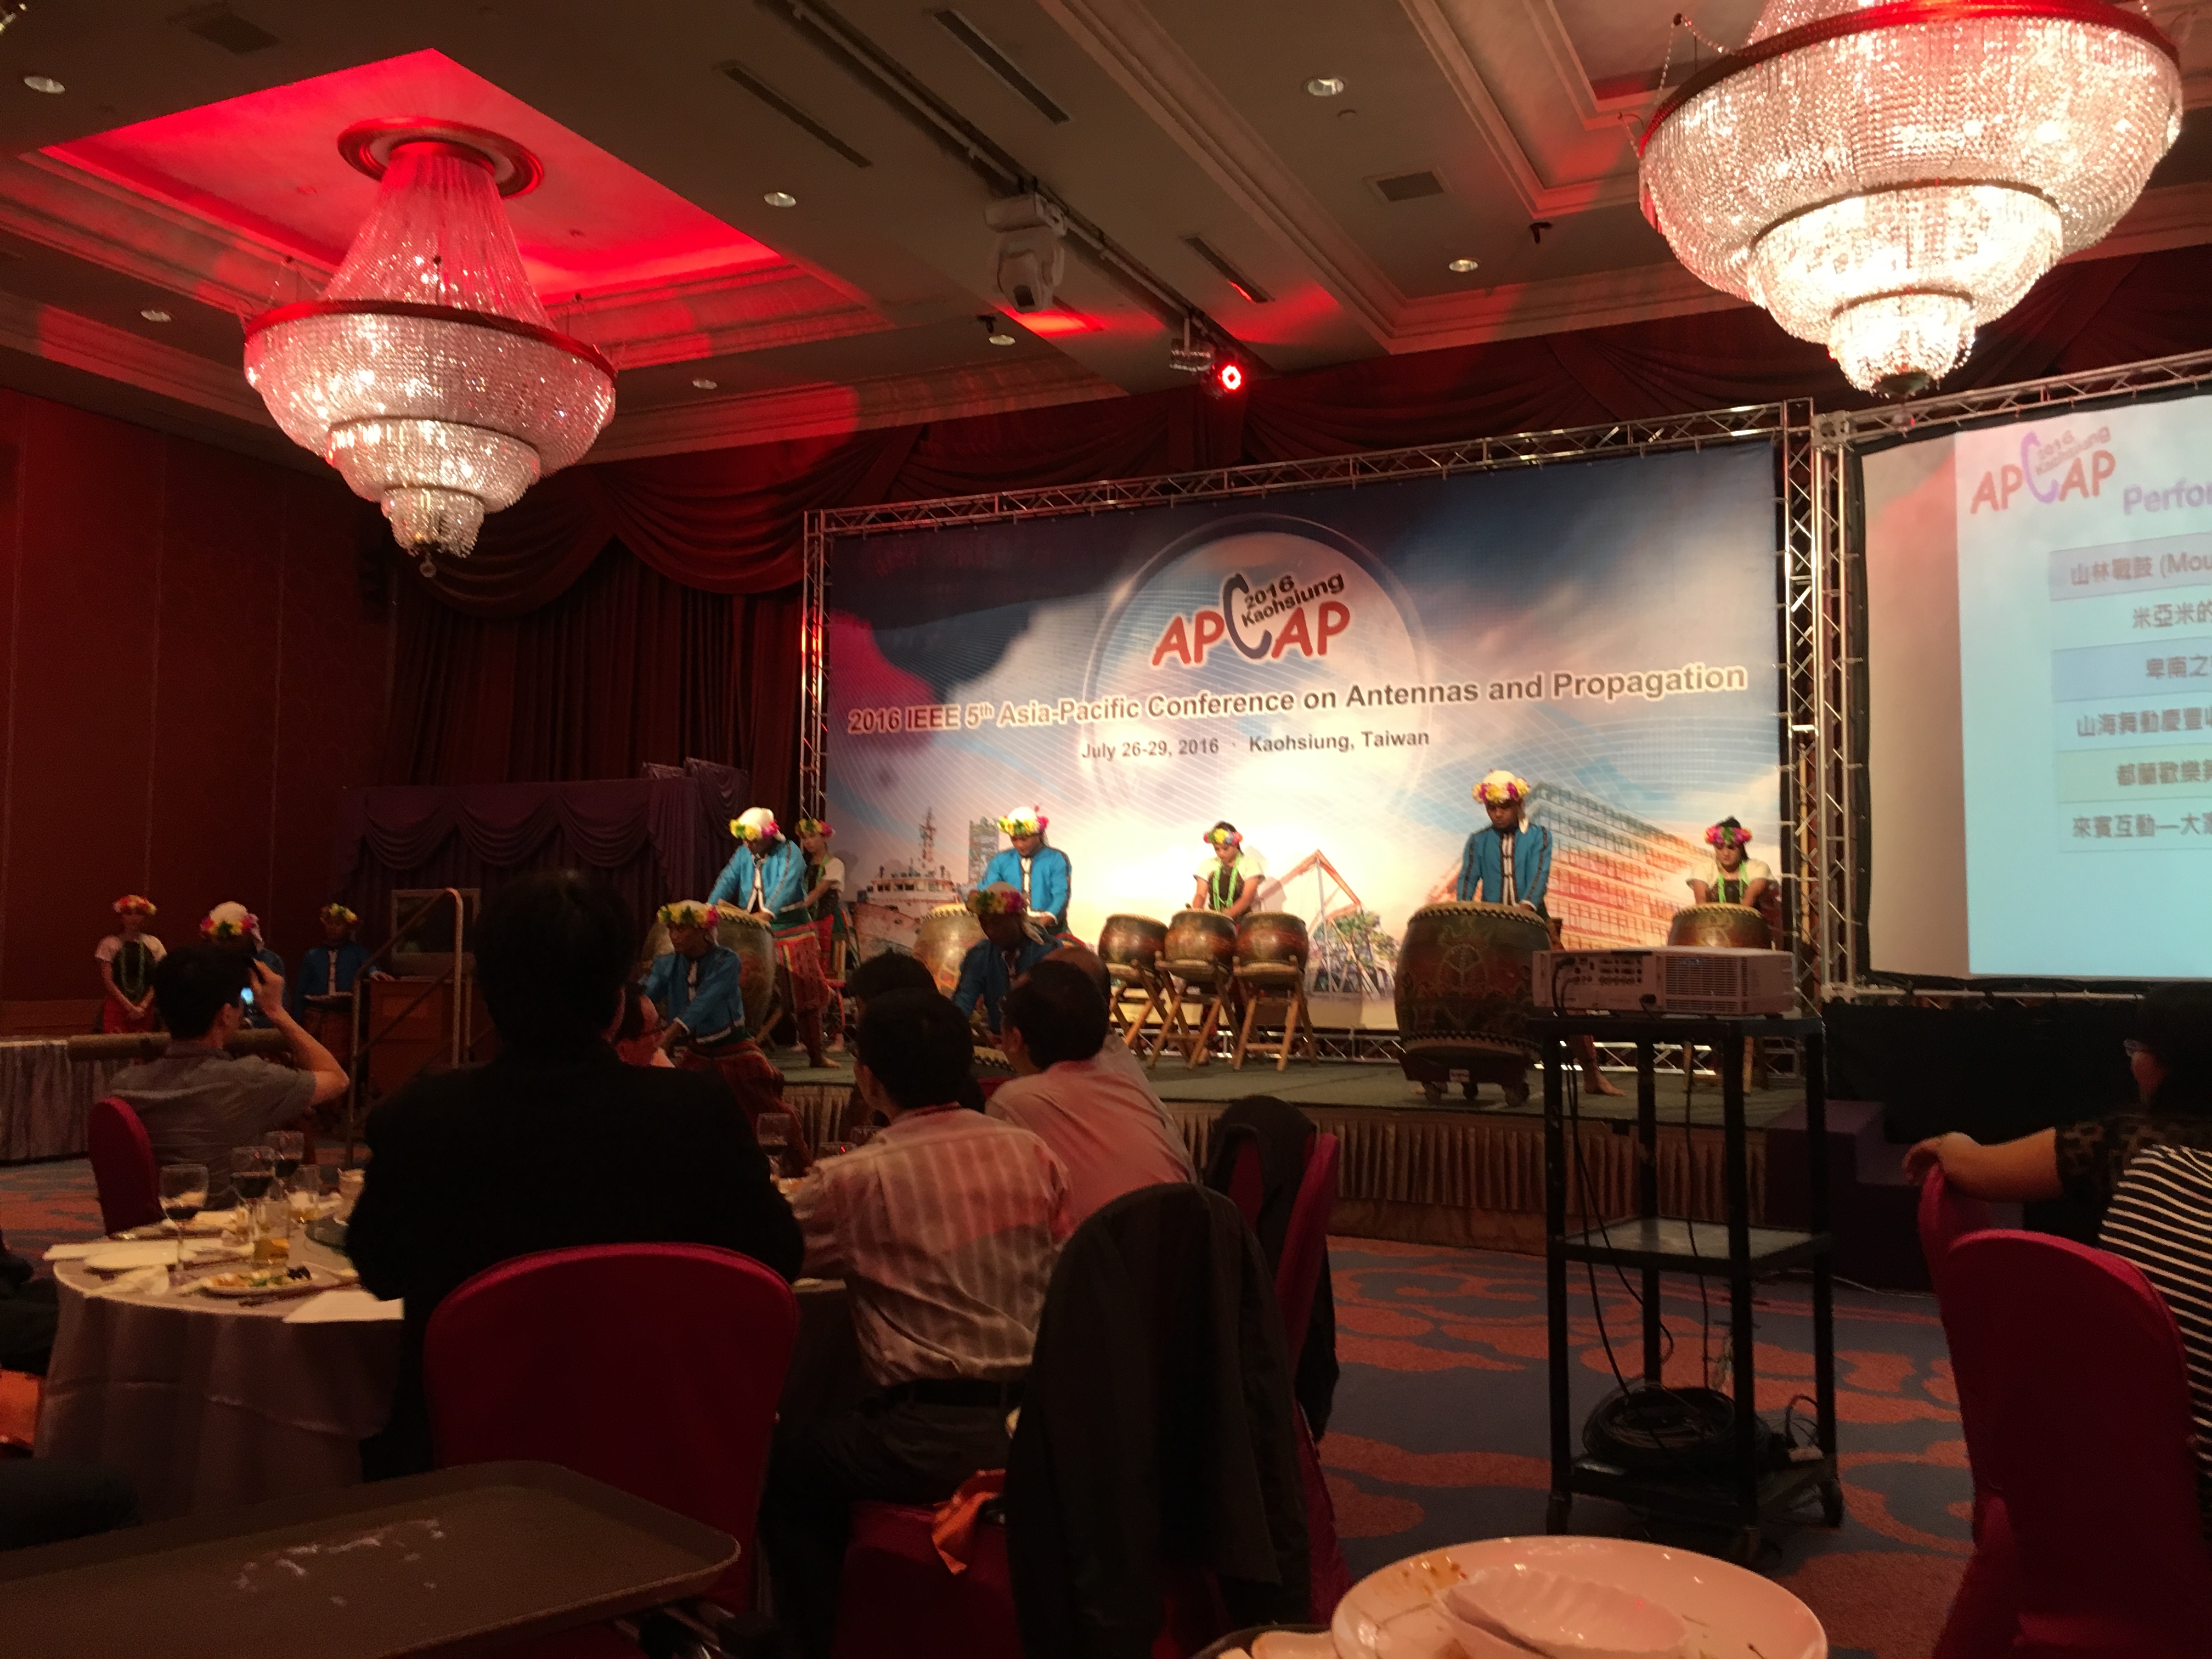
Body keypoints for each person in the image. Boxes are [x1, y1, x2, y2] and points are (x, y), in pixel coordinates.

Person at [347, 870, 803, 1479]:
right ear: (618, 1002)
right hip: (662, 1478)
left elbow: (378, 1272)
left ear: (487, 995)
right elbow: (779, 1256)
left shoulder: (421, 1120)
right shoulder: (695, 1114)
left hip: (460, 1487)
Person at [761, 989, 1073, 1658]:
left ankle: (817, 1640)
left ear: (868, 1079)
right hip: (1041, 1427)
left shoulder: (856, 1179)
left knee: (786, 1466)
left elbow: (769, 1256)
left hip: (925, 1439)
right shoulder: (1033, 1154)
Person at [1905, 984, 2212, 1219]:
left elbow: (1978, 1169)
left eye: (2139, 1047)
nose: (2132, 1057)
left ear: (2170, 1062)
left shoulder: (2123, 1143)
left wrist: (1948, 1143)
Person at [109, 946, 347, 1206]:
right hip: (229, 1225)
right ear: (225, 1015)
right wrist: (276, 1011)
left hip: (155, 1226)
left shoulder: (123, 1087)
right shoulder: (249, 1080)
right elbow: (336, 1078)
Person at [988, 960, 1195, 1224]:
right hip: (1186, 1237)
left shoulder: (1015, 1101)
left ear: (1015, 1038)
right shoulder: (1126, 1085)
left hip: (1108, 1247)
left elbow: (1004, 1216)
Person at [642, 899, 785, 1122]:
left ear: (703, 931)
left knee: (761, 1108)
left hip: (733, 1047)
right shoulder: (668, 963)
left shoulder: (727, 961)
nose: (674, 936)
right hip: (696, 1049)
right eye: (671, 929)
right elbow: (646, 994)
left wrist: (667, 1037)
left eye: (681, 930)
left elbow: (704, 1002)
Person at [711, 809, 830, 1068]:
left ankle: (816, 1055)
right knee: (745, 985)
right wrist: (709, 910)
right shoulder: (744, 853)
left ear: (768, 836)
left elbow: (785, 885)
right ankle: (739, 1049)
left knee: (806, 992)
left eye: (753, 840)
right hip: (756, 931)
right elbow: (727, 879)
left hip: (793, 930)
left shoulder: (790, 852)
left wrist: (766, 914)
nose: (748, 844)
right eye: (745, 839)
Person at [951, 883, 1053, 1036]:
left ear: (1017, 918)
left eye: (997, 923)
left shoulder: (1047, 951)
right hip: (1000, 1040)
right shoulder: (980, 955)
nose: (990, 931)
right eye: (984, 923)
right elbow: (963, 1000)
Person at [1456, 770, 1551, 910]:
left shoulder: (1538, 835)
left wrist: (1527, 907)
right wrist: (1462, 910)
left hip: (1533, 916)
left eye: (1505, 807)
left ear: (1519, 805)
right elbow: (1468, 879)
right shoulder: (1478, 841)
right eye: (1492, 808)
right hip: (1492, 916)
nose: (1498, 814)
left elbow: (1539, 874)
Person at [977, 805, 1071, 936]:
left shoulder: (1057, 858)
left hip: (1051, 932)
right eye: (1014, 839)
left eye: (1024, 839)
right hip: (1011, 931)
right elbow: (988, 891)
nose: (1019, 844)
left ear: (1039, 834)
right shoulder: (1001, 860)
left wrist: (1042, 923)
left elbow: (1061, 895)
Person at [200, 902, 285, 1029]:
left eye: (233, 938)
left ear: (248, 936)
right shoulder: (204, 963)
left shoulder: (268, 962)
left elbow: (279, 1009)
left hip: (260, 1035)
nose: (227, 944)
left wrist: (249, 1023)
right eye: (221, 939)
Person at [94, 895, 163, 1034]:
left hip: (146, 1010)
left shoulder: (154, 944)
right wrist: (129, 1007)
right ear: (121, 917)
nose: (134, 918)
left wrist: (143, 1006)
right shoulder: (110, 944)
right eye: (129, 914)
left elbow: (159, 978)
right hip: (117, 1009)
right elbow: (108, 981)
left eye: (138, 913)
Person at [290, 904, 371, 1016]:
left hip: (345, 1014)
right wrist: (297, 1019)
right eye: (330, 923)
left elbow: (370, 967)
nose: (333, 927)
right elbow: (301, 990)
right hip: (315, 1013)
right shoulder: (312, 955)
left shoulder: (357, 952)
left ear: (347, 928)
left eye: (338, 924)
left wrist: (375, 972)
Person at [796, 817, 850, 981]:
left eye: (812, 836)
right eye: (804, 838)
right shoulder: (802, 865)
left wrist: (799, 907)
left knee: (830, 975)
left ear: (824, 837)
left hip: (829, 922)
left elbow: (819, 891)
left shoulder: (835, 864)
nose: (808, 842)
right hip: (806, 921)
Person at [1687, 818, 1774, 910]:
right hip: (1712, 919)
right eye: (1720, 847)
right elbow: (1702, 903)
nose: (1726, 853)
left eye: (1731, 847)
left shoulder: (1758, 867)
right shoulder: (1703, 869)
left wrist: (1734, 918)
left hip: (1748, 919)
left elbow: (1750, 898)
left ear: (1741, 847)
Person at [1193, 822, 1265, 919]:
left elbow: (1247, 898)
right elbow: (1201, 895)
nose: (1221, 853)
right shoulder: (1208, 864)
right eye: (1217, 849)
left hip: (1248, 921)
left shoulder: (1250, 864)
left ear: (1236, 844)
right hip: (1216, 921)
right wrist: (1195, 914)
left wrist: (1224, 918)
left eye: (1225, 849)